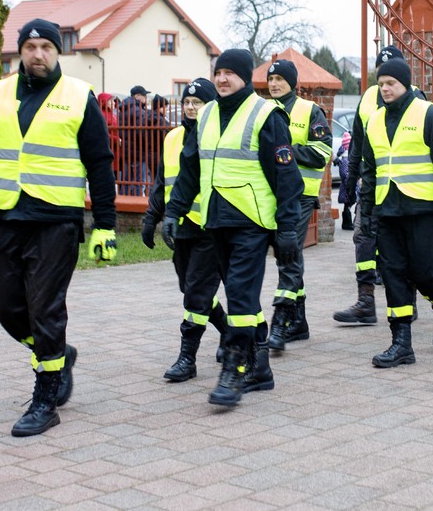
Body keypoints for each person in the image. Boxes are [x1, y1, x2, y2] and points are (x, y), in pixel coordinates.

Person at [0, 18, 117, 437]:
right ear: (20, 52)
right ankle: (59, 354)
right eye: (30, 48)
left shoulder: (78, 96)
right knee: (7, 308)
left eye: (46, 47)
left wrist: (105, 224)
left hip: (56, 221)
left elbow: (100, 164)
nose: (38, 54)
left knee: (45, 308)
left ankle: (45, 400)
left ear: (57, 52)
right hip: (7, 218)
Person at [164, 49, 303, 407]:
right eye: (218, 72)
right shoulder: (206, 114)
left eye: (229, 73)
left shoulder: (265, 114)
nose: (222, 79)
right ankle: (260, 369)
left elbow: (287, 176)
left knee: (239, 294)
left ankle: (235, 369)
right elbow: (190, 169)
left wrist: (287, 228)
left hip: (251, 222)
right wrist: (173, 211)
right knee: (245, 298)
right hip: (215, 221)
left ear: (245, 77)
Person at [359, 56, 433, 367]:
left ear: (405, 84)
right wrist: (367, 212)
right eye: (381, 84)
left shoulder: (429, 113)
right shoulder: (374, 120)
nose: (385, 89)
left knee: (425, 273)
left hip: (421, 209)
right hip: (388, 210)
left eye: (391, 83)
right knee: (392, 274)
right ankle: (401, 342)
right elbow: (370, 170)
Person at [142, 77, 228, 382]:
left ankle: (187, 358)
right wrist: (151, 218)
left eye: (198, 103)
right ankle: (228, 330)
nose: (191, 108)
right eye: (187, 103)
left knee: (196, 292)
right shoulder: (172, 137)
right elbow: (161, 182)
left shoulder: (219, 137)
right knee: (190, 288)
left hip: (210, 227)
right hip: (180, 227)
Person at [333, 45, 411, 327]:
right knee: (363, 238)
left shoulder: (417, 101)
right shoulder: (367, 97)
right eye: (380, 71)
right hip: (371, 184)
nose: (384, 80)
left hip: (403, 189)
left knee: (402, 246)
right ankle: (366, 300)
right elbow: (357, 141)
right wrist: (350, 181)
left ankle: (409, 300)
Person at [264, 58, 332, 352]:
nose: (274, 84)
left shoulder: (310, 111)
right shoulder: (263, 110)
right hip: (271, 195)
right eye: (271, 79)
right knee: (287, 255)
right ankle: (299, 321)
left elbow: (322, 152)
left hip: (301, 196)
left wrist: (285, 150)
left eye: (280, 79)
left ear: (292, 83)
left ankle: (282, 322)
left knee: (288, 254)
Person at [337, 130, 354, 230]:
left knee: (348, 204)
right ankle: (347, 223)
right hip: (347, 187)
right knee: (348, 204)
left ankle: (347, 223)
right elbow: (344, 174)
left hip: (347, 186)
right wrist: (350, 184)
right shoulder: (345, 159)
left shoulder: (345, 159)